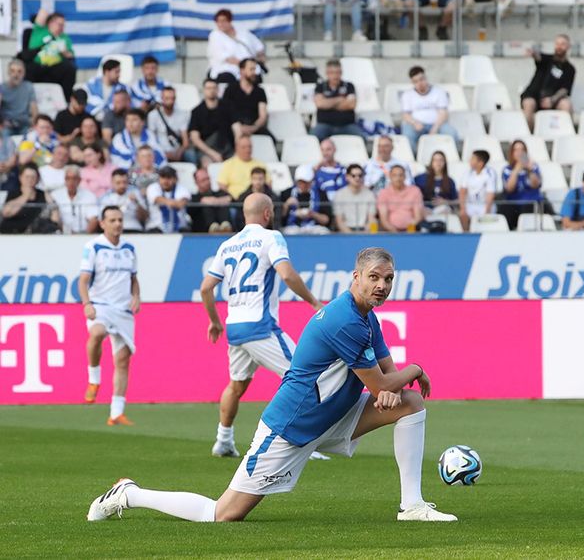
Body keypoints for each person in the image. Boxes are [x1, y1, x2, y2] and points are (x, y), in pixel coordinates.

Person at [87, 247, 457, 523]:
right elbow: (381, 385)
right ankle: (129, 494)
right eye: (374, 277)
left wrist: (396, 384)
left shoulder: (367, 318)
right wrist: (415, 369)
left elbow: (387, 378)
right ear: (356, 277)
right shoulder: (345, 320)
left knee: (409, 403)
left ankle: (412, 506)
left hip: (333, 416)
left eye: (388, 279)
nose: (381, 285)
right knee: (222, 514)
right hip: (292, 427)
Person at [199, 192, 325, 457]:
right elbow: (287, 274)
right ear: (268, 213)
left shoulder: (227, 245)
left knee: (236, 385)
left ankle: (223, 440)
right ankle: (299, 442)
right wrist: (313, 302)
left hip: (235, 327)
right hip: (260, 325)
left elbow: (206, 288)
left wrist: (215, 321)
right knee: (303, 376)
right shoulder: (271, 237)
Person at [79, 206, 141, 425]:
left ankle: (116, 412)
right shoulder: (93, 246)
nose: (117, 224)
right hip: (100, 305)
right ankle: (94, 379)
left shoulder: (129, 248)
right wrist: (87, 304)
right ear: (102, 223)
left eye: (120, 220)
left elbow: (133, 279)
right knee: (97, 333)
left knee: (122, 361)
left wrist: (136, 296)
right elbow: (83, 280)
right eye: (112, 220)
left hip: (123, 310)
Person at [399, 66, 461, 152]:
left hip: (438, 124)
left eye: (421, 79)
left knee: (451, 133)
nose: (420, 83)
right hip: (416, 125)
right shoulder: (407, 95)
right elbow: (406, 115)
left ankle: (449, 156)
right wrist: (414, 123)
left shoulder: (439, 92)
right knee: (408, 135)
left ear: (426, 78)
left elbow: (443, 113)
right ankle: (414, 157)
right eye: (416, 81)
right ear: (412, 82)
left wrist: (435, 127)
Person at [521, 35, 575, 130]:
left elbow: (565, 89)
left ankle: (567, 133)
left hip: (553, 99)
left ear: (568, 46)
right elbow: (538, 57)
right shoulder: (547, 59)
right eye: (557, 44)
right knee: (529, 104)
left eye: (562, 44)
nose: (559, 46)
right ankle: (529, 135)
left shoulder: (570, 69)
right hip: (533, 96)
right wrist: (533, 53)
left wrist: (552, 100)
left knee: (566, 104)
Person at [24, 9, 77, 101]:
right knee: (27, 68)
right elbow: (43, 12)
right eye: (60, 24)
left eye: (63, 25)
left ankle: (66, 100)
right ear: (51, 23)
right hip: (37, 66)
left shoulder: (64, 38)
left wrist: (64, 52)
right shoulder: (40, 31)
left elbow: (71, 56)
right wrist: (48, 18)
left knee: (70, 68)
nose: (62, 27)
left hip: (55, 68)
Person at [207, 9, 266, 85]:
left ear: (230, 21)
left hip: (249, 68)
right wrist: (244, 66)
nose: (221, 24)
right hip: (227, 69)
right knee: (228, 77)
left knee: (255, 76)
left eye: (223, 21)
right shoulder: (215, 35)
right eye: (218, 21)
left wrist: (260, 58)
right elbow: (224, 57)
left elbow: (259, 47)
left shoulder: (243, 32)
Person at [311, 60, 366, 140]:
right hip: (325, 125)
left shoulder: (349, 86)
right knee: (313, 138)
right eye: (332, 73)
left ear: (341, 73)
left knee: (362, 137)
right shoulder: (320, 87)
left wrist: (328, 103)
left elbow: (351, 105)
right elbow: (320, 104)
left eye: (338, 72)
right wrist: (340, 99)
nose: (335, 76)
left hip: (347, 125)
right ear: (327, 73)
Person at [497, 140, 544, 230]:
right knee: (505, 210)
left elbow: (535, 184)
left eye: (522, 150)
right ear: (512, 153)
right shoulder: (507, 170)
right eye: (516, 150)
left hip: (531, 203)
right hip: (514, 204)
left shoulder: (533, 167)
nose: (519, 153)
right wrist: (516, 170)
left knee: (530, 208)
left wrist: (529, 170)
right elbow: (509, 188)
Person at [0, 163, 57, 234]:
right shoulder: (13, 193)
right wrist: (25, 196)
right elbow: (6, 213)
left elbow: (55, 217)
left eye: (33, 177)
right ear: (20, 177)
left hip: (37, 235)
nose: (30, 180)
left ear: (38, 179)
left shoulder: (43, 195)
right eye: (27, 177)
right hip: (12, 234)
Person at [189, 79, 235, 166]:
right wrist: (213, 153)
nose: (212, 91)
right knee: (207, 164)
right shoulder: (196, 112)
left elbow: (236, 128)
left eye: (214, 88)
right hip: (206, 150)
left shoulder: (228, 107)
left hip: (227, 147)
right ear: (204, 90)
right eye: (209, 88)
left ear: (218, 90)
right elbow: (195, 138)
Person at [223, 59, 269, 138]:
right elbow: (225, 112)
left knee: (270, 140)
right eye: (251, 69)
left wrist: (254, 127)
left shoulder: (260, 91)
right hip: (234, 128)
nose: (254, 73)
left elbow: (263, 116)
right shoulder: (230, 90)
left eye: (255, 69)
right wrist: (238, 127)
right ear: (242, 70)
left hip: (255, 127)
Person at [280, 165, 333, 235]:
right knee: (289, 232)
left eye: (306, 182)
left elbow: (326, 220)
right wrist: (286, 205)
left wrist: (312, 214)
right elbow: (278, 219)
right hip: (292, 227)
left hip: (314, 227)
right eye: (300, 182)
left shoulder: (320, 194)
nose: (303, 185)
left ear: (311, 181)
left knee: (324, 231)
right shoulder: (286, 193)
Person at [147, 87, 192, 163]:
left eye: (172, 98)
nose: (170, 101)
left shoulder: (183, 114)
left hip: (178, 150)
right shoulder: (153, 115)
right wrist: (162, 153)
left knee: (190, 154)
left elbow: (185, 141)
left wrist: (178, 153)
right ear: (162, 98)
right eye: (167, 98)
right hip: (160, 150)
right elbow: (151, 139)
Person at [51, 165, 99, 234]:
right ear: (64, 179)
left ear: (79, 180)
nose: (71, 182)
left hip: (84, 234)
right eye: (68, 178)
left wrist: (84, 236)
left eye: (74, 178)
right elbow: (54, 220)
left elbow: (93, 219)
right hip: (60, 234)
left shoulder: (89, 196)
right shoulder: (55, 195)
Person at [458, 150, 498, 231]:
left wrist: (487, 211)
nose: (470, 160)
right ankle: (466, 234)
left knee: (485, 218)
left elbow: (490, 193)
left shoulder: (490, 173)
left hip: (484, 205)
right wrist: (463, 209)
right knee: (462, 215)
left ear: (480, 163)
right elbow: (462, 192)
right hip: (471, 204)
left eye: (473, 158)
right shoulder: (467, 173)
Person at [377, 164, 424, 232]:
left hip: (411, 231)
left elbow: (418, 216)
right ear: (390, 177)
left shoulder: (415, 191)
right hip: (390, 232)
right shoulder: (383, 193)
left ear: (405, 176)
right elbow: (384, 219)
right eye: (394, 175)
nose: (398, 178)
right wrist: (394, 231)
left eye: (401, 175)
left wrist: (408, 230)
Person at [100, 168, 149, 233]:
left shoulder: (136, 193)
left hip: (134, 229)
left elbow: (145, 218)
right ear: (112, 182)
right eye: (118, 183)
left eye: (124, 182)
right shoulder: (106, 198)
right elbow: (102, 220)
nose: (122, 186)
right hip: (113, 231)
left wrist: (137, 203)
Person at [145, 166, 191, 233]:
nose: (165, 181)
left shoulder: (182, 188)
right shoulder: (153, 187)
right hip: (156, 227)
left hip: (179, 228)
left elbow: (181, 204)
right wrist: (172, 203)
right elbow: (157, 198)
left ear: (175, 179)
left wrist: (169, 202)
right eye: (163, 177)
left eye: (169, 178)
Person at [334, 164, 378, 233]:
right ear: (347, 177)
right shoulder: (339, 195)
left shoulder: (370, 194)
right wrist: (351, 236)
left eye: (360, 175)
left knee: (374, 224)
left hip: (365, 231)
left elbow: (372, 218)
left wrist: (364, 234)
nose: (357, 178)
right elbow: (339, 221)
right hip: (345, 232)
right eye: (353, 175)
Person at [0, 59, 39, 136]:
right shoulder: (2, 88)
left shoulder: (28, 87)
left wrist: (35, 125)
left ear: (24, 73)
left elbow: (34, 108)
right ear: (8, 72)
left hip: (25, 124)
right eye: (12, 71)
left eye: (19, 71)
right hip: (7, 125)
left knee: (29, 140)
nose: (16, 74)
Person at [189, 168, 233, 233]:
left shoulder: (219, 193)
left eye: (208, 179)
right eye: (203, 180)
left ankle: (225, 225)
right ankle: (212, 227)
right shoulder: (194, 197)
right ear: (196, 182)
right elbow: (203, 200)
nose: (207, 182)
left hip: (225, 231)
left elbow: (230, 198)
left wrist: (213, 201)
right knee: (206, 207)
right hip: (203, 231)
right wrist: (220, 201)